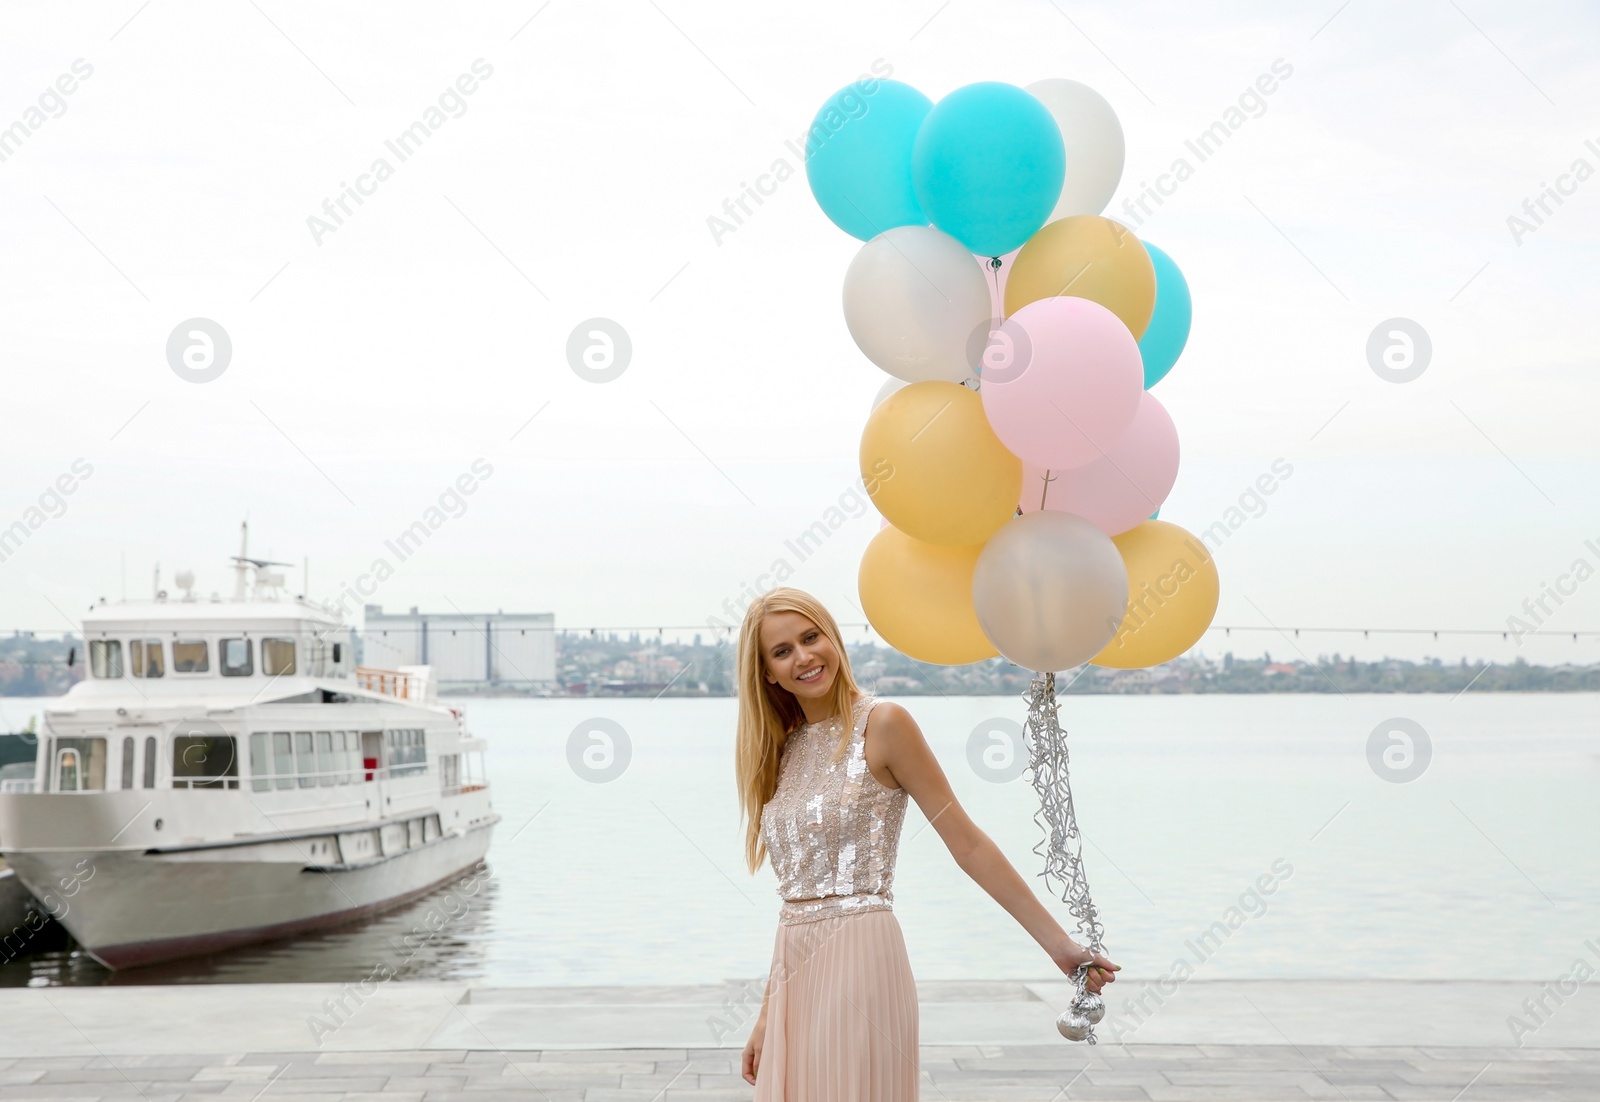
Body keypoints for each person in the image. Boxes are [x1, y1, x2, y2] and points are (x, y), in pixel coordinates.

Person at [735, 586, 1118, 1097]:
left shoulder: (884, 724)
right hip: (794, 967)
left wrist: (1060, 946)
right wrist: (768, 1012)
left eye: (811, 637)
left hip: (860, 953)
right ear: (766, 671)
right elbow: (797, 902)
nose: (804, 657)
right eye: (782, 651)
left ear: (832, 638)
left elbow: (968, 844)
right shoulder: (784, 750)